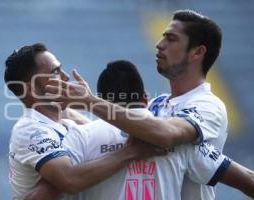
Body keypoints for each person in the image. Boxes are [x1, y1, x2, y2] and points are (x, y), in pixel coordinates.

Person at [44, 10, 253, 199]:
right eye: (162, 37)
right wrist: (63, 110)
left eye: (171, 39)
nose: (159, 44)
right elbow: (113, 128)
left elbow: (166, 134)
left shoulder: (208, 106)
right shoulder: (157, 106)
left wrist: (90, 101)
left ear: (197, 52)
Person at [31, 60, 254, 199]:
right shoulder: (179, 138)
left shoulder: (81, 137)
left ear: (102, 101)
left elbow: (40, 196)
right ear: (145, 98)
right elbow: (248, 180)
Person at [5, 43, 158, 200]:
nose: (65, 76)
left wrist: (89, 101)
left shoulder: (64, 123)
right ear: (31, 89)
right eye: (55, 72)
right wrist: (132, 151)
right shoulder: (30, 129)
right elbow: (69, 179)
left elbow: (101, 131)